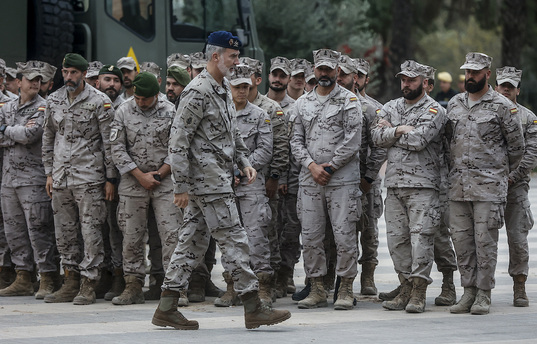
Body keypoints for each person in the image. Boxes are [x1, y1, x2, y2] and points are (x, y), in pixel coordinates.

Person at [151, 30, 291, 330]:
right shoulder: (197, 91)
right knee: (236, 241)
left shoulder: (222, 88)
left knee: (190, 243)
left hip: (218, 178)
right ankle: (254, 307)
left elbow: (231, 134)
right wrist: (180, 187)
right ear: (215, 57)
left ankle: (166, 306)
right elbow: (178, 141)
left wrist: (244, 162)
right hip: (208, 182)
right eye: (233, 56)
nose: (236, 61)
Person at [446, 52, 524, 315]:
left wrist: (500, 176)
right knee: (462, 242)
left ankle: (483, 294)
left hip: (489, 189)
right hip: (458, 188)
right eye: (467, 72)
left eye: (476, 72)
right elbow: (449, 143)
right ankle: (467, 291)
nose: (470, 76)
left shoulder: (502, 106)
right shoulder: (454, 103)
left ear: (487, 74)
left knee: (485, 242)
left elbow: (517, 148)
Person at [42, 53, 117, 305]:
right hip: (61, 178)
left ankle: (89, 283)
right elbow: (48, 137)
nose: (69, 77)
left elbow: (109, 143)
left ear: (85, 74)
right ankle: (70, 280)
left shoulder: (100, 101)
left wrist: (110, 178)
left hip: (89, 178)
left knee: (91, 230)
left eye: (74, 73)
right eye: (65, 72)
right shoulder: (53, 99)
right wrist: (49, 173)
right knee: (64, 232)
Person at [372, 60, 446, 314]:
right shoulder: (391, 106)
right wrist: (400, 130)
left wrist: (391, 133)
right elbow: (375, 137)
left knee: (421, 241)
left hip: (423, 187)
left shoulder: (435, 110)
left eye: (411, 80)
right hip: (394, 186)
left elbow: (420, 140)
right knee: (397, 241)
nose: (406, 84)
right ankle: (404, 286)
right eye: (403, 79)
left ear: (424, 83)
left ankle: (418, 291)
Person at [290, 48, 362, 310]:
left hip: (342, 180)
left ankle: (345, 288)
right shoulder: (301, 103)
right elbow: (295, 141)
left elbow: (353, 140)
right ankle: (317, 287)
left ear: (337, 71)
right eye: (319, 69)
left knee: (344, 236)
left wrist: (330, 167)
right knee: (310, 236)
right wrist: (311, 166)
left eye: (329, 69)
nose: (324, 73)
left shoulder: (349, 102)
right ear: (313, 69)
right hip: (310, 180)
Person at [110, 72, 180, 306]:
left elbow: (178, 148)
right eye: (138, 98)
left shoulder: (170, 111)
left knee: (172, 234)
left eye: (146, 99)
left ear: (156, 95)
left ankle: (174, 288)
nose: (141, 102)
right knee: (131, 235)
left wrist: (159, 174)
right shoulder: (123, 110)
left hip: (165, 181)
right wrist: (140, 175)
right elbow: (117, 149)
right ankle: (133, 286)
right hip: (133, 181)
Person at [0, 61, 59, 299]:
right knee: (14, 231)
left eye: (39, 80)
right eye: (31, 79)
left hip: (33, 178)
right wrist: (12, 131)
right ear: (19, 81)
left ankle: (47, 277)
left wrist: (5, 130)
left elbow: (29, 135)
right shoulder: (7, 105)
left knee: (38, 230)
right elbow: (17, 135)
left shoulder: (43, 107)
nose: (35, 83)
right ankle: (23, 276)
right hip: (8, 178)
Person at [240, 56, 290, 299]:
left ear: (257, 79)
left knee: (266, 231)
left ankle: (271, 282)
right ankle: (239, 284)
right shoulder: (228, 106)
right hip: (236, 183)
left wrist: (274, 177)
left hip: (263, 182)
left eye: (247, 76)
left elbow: (279, 147)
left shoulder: (269, 108)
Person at [228, 64, 273, 305]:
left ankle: (263, 286)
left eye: (246, 86)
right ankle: (233, 286)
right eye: (237, 87)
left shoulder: (259, 115)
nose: (242, 91)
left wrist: (241, 169)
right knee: (229, 237)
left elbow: (265, 149)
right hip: (224, 184)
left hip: (251, 183)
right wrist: (227, 172)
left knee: (256, 235)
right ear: (229, 87)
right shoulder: (219, 113)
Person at [494, 66, 537, 307]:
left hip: (515, 186)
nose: (506, 90)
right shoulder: (485, 112)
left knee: (518, 238)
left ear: (518, 90)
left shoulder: (528, 117)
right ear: (496, 86)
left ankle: (519, 286)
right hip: (486, 187)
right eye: (503, 85)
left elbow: (531, 153)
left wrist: (512, 176)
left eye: (511, 86)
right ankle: (480, 288)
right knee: (482, 240)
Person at [352, 57, 387, 296]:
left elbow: (380, 148)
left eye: (359, 75)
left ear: (367, 78)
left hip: (368, 181)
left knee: (369, 230)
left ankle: (368, 276)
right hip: (344, 179)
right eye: (350, 74)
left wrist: (369, 178)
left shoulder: (373, 108)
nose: (355, 79)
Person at [94, 64, 125, 300]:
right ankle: (101, 274)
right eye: (107, 79)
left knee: (116, 229)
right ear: (98, 82)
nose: (111, 84)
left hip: (116, 179)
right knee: (98, 229)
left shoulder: (124, 107)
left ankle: (118, 275)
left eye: (116, 80)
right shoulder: (94, 103)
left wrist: (111, 179)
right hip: (91, 177)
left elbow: (114, 148)